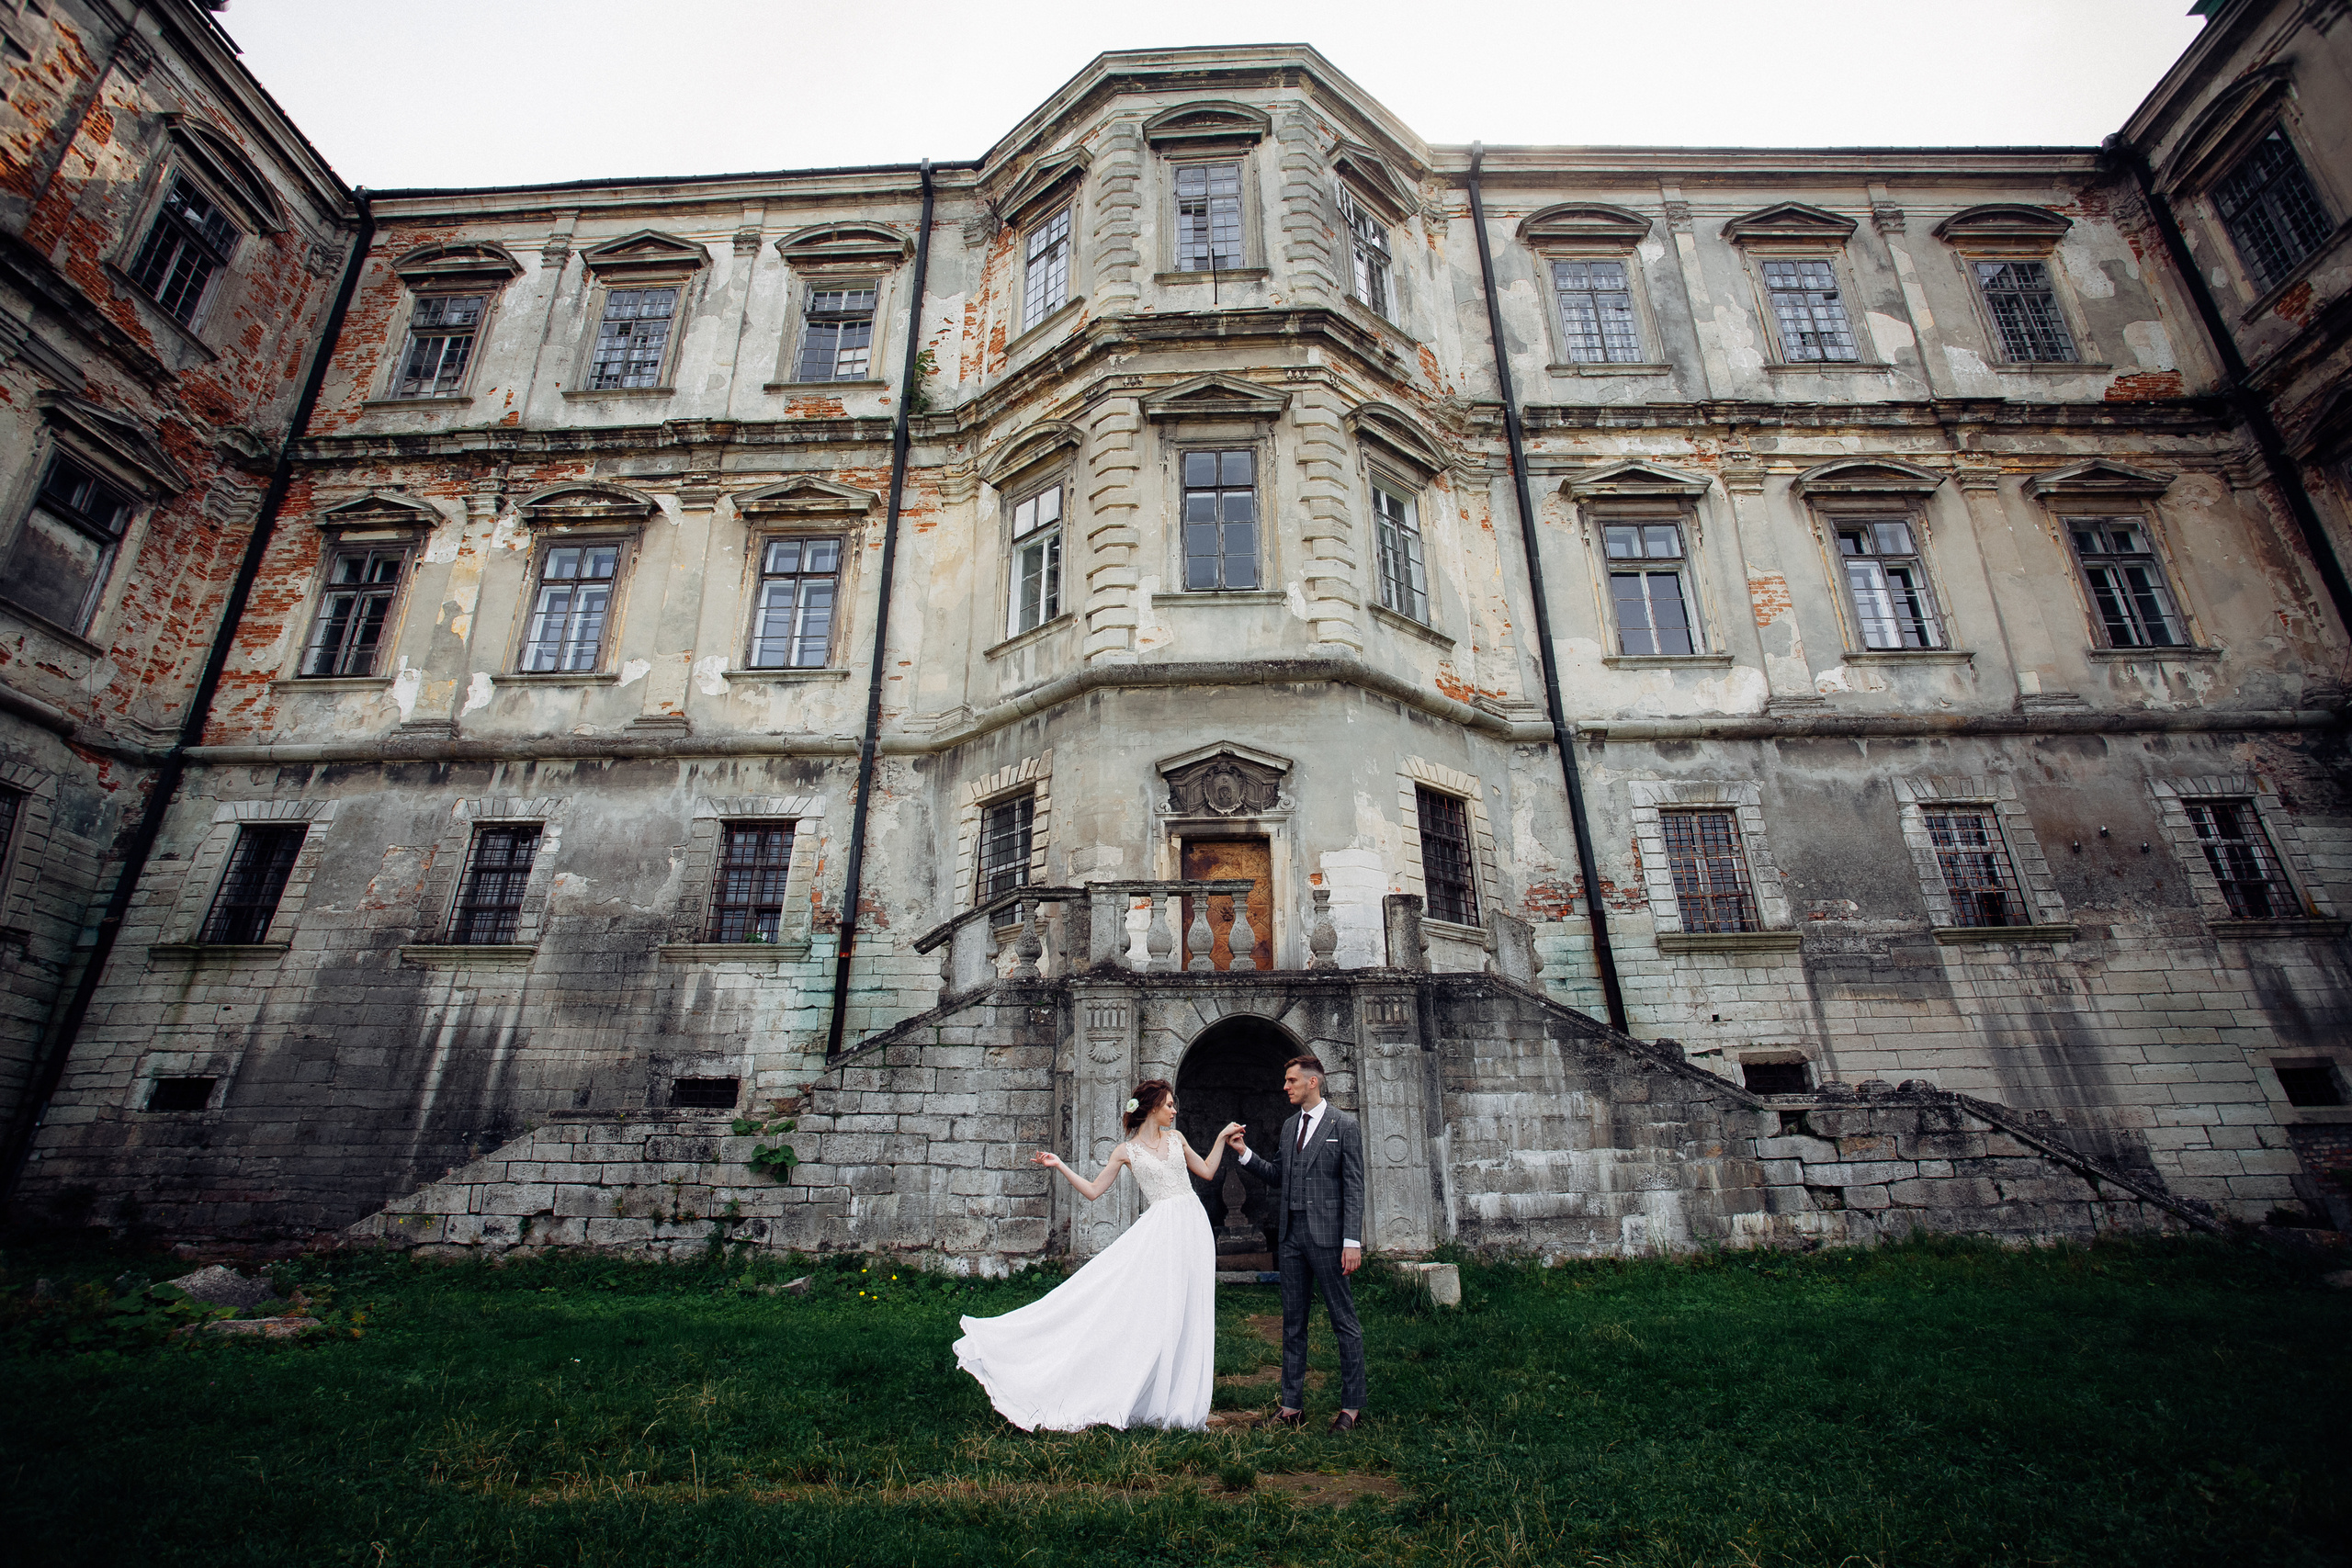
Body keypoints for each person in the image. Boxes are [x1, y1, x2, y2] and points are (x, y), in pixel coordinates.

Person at [952, 1079, 1241, 1431]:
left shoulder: (1177, 1139)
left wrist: (1222, 1138)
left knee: (1188, 1308)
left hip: (1192, 1228)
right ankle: (1132, 1389)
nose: (1174, 1111)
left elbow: (1208, 1172)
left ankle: (1176, 1402)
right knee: (1152, 1309)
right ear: (1151, 1108)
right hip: (1160, 1233)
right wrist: (1059, 1164)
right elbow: (1092, 1191)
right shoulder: (1126, 1151)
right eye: (1168, 1105)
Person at [1225, 1054, 1367, 1431]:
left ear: (1312, 1082)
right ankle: (1291, 1408)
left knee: (1344, 1321)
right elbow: (1277, 1175)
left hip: (1330, 1240)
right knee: (1292, 1323)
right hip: (1290, 1238)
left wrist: (1351, 1241)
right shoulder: (1289, 1127)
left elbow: (1354, 1187)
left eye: (1291, 1080)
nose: (1285, 1086)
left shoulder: (1344, 1124)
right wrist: (1244, 1154)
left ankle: (1351, 1408)